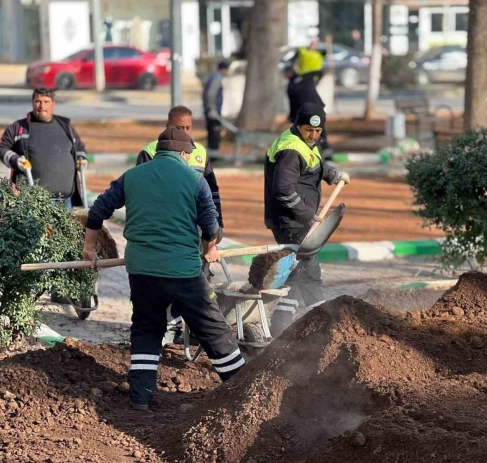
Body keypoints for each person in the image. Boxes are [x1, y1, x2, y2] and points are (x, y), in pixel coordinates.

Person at [83, 127, 246, 410]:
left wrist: (89, 248)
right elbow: (211, 226)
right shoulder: (195, 180)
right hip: (183, 271)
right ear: (184, 153)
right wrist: (210, 248)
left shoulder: (132, 176)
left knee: (147, 328)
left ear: (158, 151)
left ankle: (141, 398)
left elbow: (98, 210)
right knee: (213, 329)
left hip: (142, 271)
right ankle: (243, 388)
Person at [137, 105, 224, 345]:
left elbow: (212, 193)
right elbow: (143, 194)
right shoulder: (150, 152)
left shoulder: (201, 153)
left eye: (188, 128)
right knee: (168, 280)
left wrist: (217, 227)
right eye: (179, 128)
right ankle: (169, 327)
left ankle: (196, 328)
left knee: (200, 279)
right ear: (167, 126)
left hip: (197, 231)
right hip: (168, 231)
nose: (185, 132)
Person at [264, 103, 349, 336]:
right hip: (290, 222)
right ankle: (325, 328)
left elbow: (313, 164)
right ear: (298, 126)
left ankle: (279, 327)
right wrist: (307, 215)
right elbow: (283, 190)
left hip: (299, 220)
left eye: (318, 131)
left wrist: (333, 174)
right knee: (309, 274)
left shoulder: (304, 143)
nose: (313, 135)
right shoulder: (290, 149)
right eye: (308, 130)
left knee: (295, 276)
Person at [0, 87, 88, 208]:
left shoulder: (66, 127)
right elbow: (2, 148)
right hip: (33, 200)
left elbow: (79, 146)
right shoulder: (19, 127)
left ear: (53, 104)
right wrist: (16, 160)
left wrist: (81, 157)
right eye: (38, 101)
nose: (42, 105)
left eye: (46, 101)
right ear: (32, 103)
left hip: (66, 201)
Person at [284, 67, 332, 157]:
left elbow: (293, 104)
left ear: (288, 75)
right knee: (320, 129)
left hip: (307, 111)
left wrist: (291, 117)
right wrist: (316, 83)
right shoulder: (307, 76)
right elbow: (320, 71)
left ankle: (308, 151)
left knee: (305, 131)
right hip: (318, 107)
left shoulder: (291, 86)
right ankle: (325, 151)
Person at [202, 60, 229, 153]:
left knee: (211, 131)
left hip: (209, 109)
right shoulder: (217, 78)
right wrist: (212, 109)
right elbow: (211, 94)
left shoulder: (211, 76)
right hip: (213, 111)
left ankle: (211, 153)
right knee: (215, 131)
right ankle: (214, 153)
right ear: (224, 69)